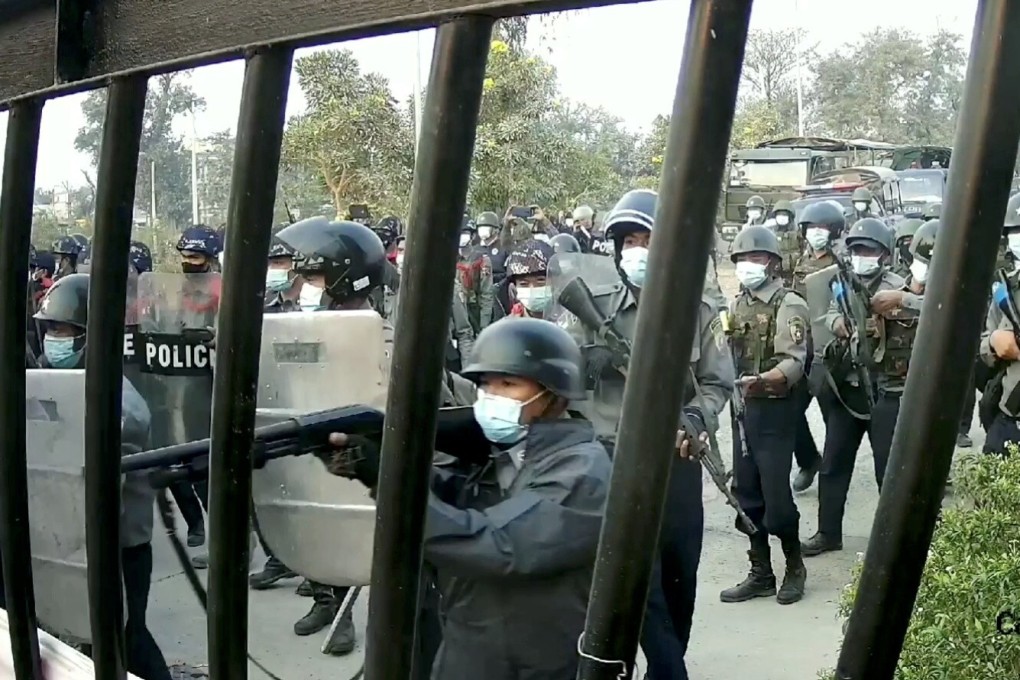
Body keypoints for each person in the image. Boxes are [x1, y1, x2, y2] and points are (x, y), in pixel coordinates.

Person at [322, 316, 611, 679]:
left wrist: (389, 486)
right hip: (468, 648)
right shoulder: (509, 451)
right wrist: (374, 466)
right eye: (486, 386)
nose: (492, 398)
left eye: (508, 384)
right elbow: (459, 499)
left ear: (554, 393)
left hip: (531, 664)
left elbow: (498, 545)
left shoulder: (582, 471)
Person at [565, 189, 732, 680]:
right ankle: (663, 669)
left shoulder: (697, 311)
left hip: (675, 459)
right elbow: (559, 381)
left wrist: (698, 419)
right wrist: (585, 365)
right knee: (641, 583)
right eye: (629, 241)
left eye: (648, 241)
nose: (637, 251)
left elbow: (720, 383)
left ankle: (668, 660)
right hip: (609, 458)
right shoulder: (588, 308)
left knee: (680, 576)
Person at [34, 273, 171, 680]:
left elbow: (100, 491)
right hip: (72, 539)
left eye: (64, 331)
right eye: (50, 330)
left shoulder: (119, 404)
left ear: (94, 335)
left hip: (117, 548)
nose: (52, 340)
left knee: (124, 639)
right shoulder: (62, 384)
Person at [803, 217, 908, 557]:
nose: (862, 255)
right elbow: (830, 312)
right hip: (847, 389)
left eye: (869, 250)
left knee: (887, 468)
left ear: (884, 254)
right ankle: (827, 532)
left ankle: (893, 536)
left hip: (884, 389)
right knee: (833, 464)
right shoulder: (843, 282)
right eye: (857, 249)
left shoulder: (897, 287)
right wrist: (840, 325)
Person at [720, 225, 811, 606]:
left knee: (777, 498)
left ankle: (794, 565)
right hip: (742, 410)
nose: (748, 266)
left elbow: (795, 360)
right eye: (742, 260)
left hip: (774, 411)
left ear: (772, 263)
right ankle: (761, 571)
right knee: (746, 493)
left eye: (755, 259)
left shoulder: (787, 303)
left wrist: (764, 380)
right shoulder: (737, 303)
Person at [786, 200, 846, 493]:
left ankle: (834, 470)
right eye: (811, 228)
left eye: (822, 228)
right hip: (802, 347)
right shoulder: (799, 260)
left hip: (830, 350)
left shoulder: (843, 263)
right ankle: (809, 460)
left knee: (832, 414)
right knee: (791, 411)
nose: (816, 233)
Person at [980, 192, 1020, 455]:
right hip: (1010, 415)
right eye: (1015, 231)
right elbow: (983, 342)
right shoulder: (1006, 288)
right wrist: (994, 342)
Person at [455, 216, 494, 333]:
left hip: (473, 311)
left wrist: (484, 325)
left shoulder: (482, 260)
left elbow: (486, 293)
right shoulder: (448, 259)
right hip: (454, 312)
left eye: (465, 233)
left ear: (472, 236)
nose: (461, 236)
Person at [504, 239, 555, 319]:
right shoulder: (509, 327)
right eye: (524, 284)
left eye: (540, 281)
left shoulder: (569, 320)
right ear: (515, 287)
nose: (532, 289)